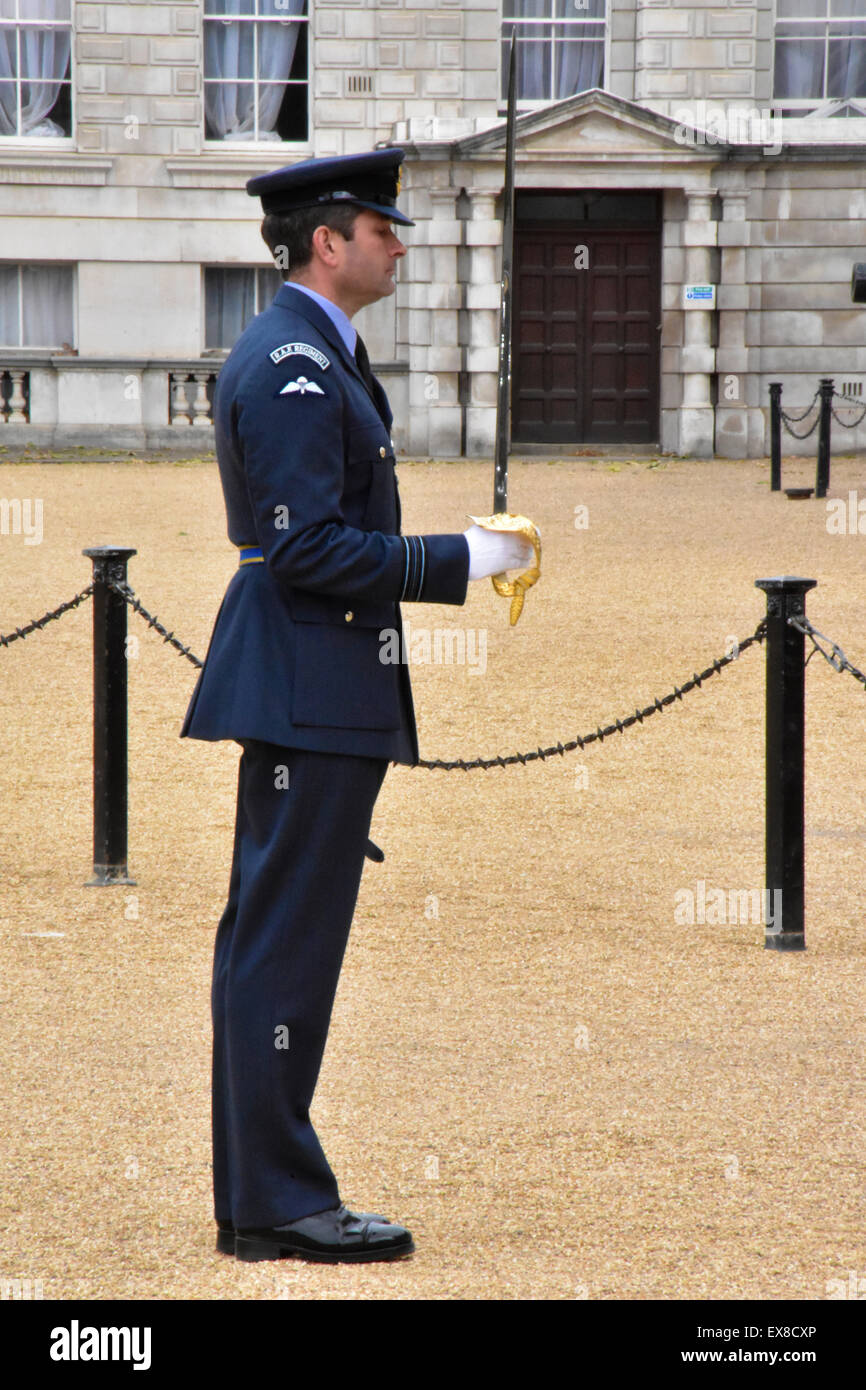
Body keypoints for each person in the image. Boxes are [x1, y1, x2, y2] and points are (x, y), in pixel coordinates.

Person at [180, 149, 534, 1264]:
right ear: (326, 241)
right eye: (382, 228)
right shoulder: (291, 359)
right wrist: (461, 556)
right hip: (304, 680)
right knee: (282, 947)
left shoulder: (316, 350)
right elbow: (303, 545)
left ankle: (264, 1195)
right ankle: (279, 1202)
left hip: (314, 680)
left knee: (276, 940)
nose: (398, 242)